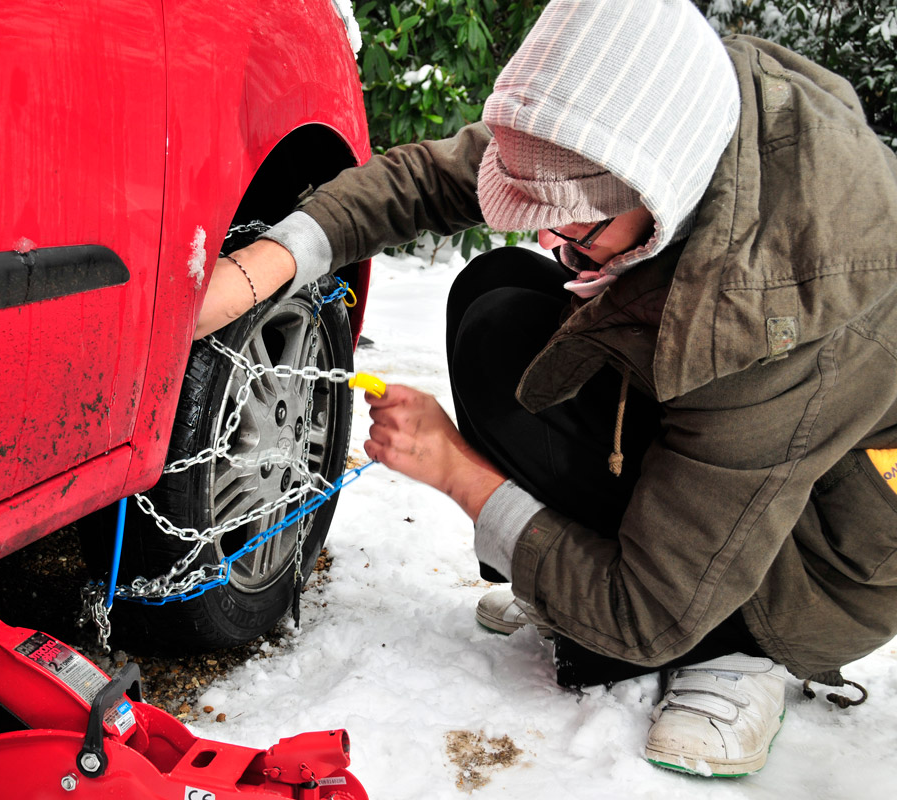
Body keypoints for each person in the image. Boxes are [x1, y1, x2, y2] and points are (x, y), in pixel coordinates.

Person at [196, 0, 897, 777]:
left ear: (658, 200)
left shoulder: (775, 320)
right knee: (501, 306)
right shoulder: (657, 109)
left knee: (642, 616)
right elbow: (436, 176)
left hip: (803, 561)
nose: (552, 242)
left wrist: (459, 473)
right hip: (720, 413)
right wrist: (269, 262)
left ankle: (735, 653)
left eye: (578, 229)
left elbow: (646, 609)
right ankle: (570, 572)